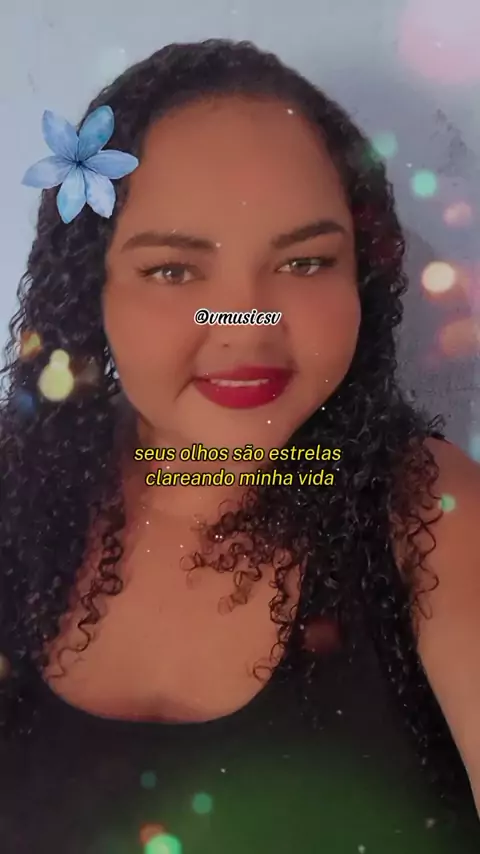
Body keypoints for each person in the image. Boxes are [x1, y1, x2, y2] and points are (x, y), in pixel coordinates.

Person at [0, 38, 478, 854]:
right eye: (175, 271)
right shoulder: (13, 493)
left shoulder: (431, 513)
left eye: (304, 262)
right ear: (92, 289)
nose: (247, 323)